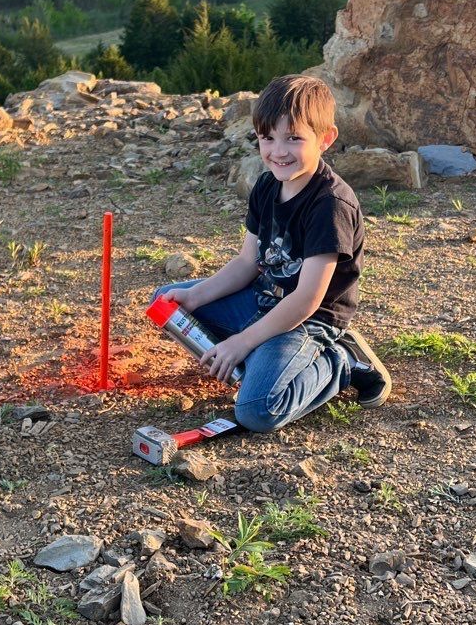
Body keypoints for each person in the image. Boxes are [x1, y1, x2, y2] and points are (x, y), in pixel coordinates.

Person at [153, 73, 390, 432]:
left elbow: (308, 299)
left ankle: (341, 361)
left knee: (257, 410)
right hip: (264, 301)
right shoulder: (267, 186)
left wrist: (242, 341)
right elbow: (249, 262)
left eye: (294, 138)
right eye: (268, 138)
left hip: (308, 321)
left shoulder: (330, 205)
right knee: (169, 305)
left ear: (325, 139)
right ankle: (259, 361)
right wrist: (193, 295)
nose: (278, 152)